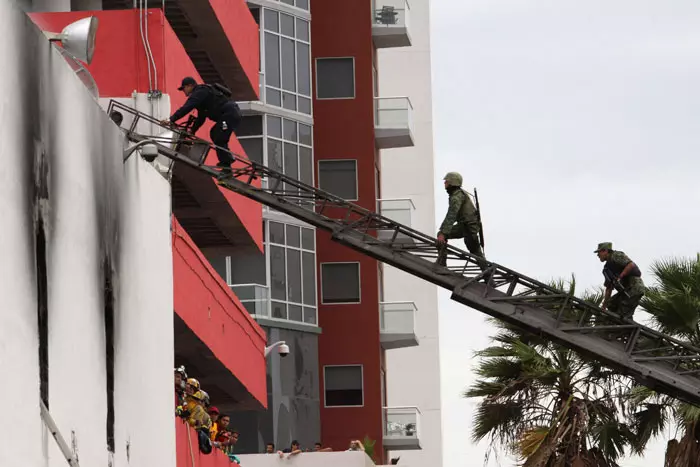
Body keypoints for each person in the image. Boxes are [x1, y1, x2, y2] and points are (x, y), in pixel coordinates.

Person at [162, 77, 241, 170]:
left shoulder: (200, 92)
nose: (184, 92)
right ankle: (226, 161)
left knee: (219, 137)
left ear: (190, 86)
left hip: (229, 114)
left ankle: (227, 164)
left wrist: (171, 120)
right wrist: (192, 130)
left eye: (184, 88)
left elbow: (187, 107)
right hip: (228, 115)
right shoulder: (202, 98)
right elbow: (201, 118)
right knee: (214, 133)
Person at [435, 172, 488, 275]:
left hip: (467, 226)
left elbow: (452, 214)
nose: (445, 183)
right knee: (476, 252)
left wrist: (443, 232)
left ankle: (442, 264)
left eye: (447, 181)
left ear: (452, 182)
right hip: (469, 226)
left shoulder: (457, 197)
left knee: (441, 235)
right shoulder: (458, 194)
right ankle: (488, 277)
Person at [595, 242, 645, 319]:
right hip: (625, 291)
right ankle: (625, 325)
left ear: (605, 251)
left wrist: (620, 277)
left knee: (623, 312)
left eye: (599, 252)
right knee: (611, 304)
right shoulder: (607, 269)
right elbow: (609, 288)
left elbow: (631, 265)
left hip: (635, 287)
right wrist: (604, 306)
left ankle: (626, 327)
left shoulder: (616, 255)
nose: (598, 255)